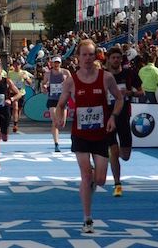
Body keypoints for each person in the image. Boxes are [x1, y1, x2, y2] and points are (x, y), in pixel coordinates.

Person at [54, 39, 123, 233]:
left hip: (101, 133)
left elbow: (119, 98)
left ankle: (91, 180)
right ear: (78, 57)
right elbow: (60, 105)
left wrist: (113, 117)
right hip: (81, 134)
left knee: (99, 180)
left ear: (96, 56)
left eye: (91, 54)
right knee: (86, 175)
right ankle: (87, 218)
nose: (87, 58)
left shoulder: (106, 77)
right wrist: (59, 118)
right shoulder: (71, 81)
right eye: (84, 54)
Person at [105, 47, 142, 197]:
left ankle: (112, 157)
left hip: (124, 116)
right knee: (114, 150)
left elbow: (142, 92)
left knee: (125, 156)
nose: (116, 60)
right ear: (108, 59)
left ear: (121, 59)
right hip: (107, 117)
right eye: (113, 57)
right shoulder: (103, 75)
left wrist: (130, 92)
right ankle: (117, 184)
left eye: (118, 58)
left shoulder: (129, 74)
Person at [41, 56, 71, 152]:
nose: (56, 64)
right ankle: (56, 144)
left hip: (63, 99)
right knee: (55, 121)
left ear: (60, 63)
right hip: (52, 99)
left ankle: (58, 126)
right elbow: (43, 86)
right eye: (55, 62)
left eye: (58, 62)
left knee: (61, 124)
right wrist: (45, 87)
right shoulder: (48, 74)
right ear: (52, 63)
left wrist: (67, 85)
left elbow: (72, 84)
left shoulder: (65, 72)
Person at [8, 59, 33, 132]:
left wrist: (25, 78)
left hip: (21, 92)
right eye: (15, 65)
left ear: (20, 65)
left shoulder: (24, 72)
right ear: (13, 65)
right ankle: (15, 124)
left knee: (19, 109)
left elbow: (30, 83)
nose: (16, 66)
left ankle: (16, 121)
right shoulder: (10, 73)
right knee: (15, 107)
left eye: (18, 65)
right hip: (13, 92)